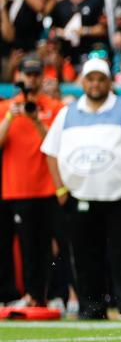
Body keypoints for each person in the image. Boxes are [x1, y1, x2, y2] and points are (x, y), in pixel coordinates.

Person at [40, 58, 121, 321]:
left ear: (109, 82)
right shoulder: (68, 112)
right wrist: (60, 189)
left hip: (119, 193)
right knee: (85, 254)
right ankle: (92, 307)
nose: (96, 84)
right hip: (80, 195)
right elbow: (50, 151)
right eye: (91, 79)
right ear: (83, 83)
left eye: (101, 79)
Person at [0, 54, 64, 307]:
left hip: (50, 187)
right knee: (25, 249)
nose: (32, 79)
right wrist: (10, 118)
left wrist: (36, 120)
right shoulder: (6, 107)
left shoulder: (54, 106)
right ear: (20, 76)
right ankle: (29, 296)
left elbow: (58, 143)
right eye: (28, 74)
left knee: (56, 246)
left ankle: (57, 294)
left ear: (43, 76)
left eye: (37, 74)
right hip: (17, 188)